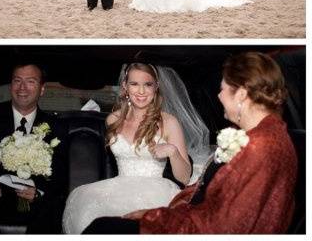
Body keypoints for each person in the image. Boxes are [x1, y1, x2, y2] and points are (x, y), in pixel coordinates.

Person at [84, 52, 297, 234]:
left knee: (100, 228)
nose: (219, 96)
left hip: (193, 224)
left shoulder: (261, 147)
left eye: (222, 88)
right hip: (189, 213)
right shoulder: (259, 136)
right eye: (134, 84)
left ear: (240, 94)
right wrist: (160, 214)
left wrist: (155, 217)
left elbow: (225, 224)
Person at [62, 63, 192, 234]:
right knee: (88, 212)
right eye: (134, 84)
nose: (141, 91)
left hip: (155, 193)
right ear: (125, 86)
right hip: (116, 189)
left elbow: (184, 178)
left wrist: (172, 152)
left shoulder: (169, 122)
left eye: (147, 84)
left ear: (156, 87)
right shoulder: (112, 120)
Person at [0, 63, 67, 234]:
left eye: (30, 82)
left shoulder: (56, 127)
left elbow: (61, 173)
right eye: (17, 81)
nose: (22, 88)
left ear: (42, 89)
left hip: (33, 201)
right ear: (11, 86)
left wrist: (38, 192)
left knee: (53, 204)